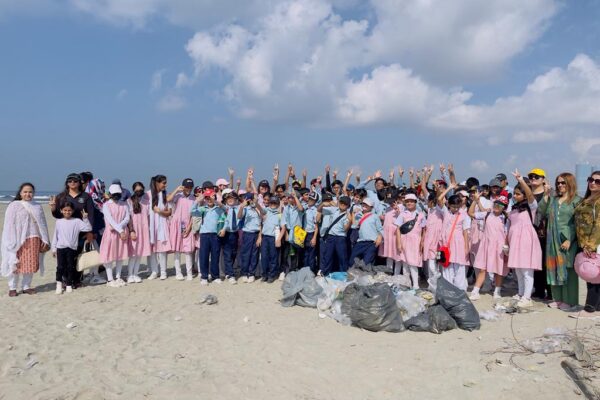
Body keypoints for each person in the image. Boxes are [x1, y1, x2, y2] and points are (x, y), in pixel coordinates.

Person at [538, 173, 581, 309]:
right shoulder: (553, 200)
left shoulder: (577, 201)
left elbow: (578, 223)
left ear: (570, 183)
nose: (560, 185)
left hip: (568, 241)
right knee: (553, 267)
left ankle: (570, 301)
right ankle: (557, 299)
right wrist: (545, 195)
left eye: (563, 183)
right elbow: (541, 211)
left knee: (569, 269)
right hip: (552, 241)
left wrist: (570, 239)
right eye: (558, 183)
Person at [1, 183, 50, 297]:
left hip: (34, 238)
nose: (28, 194)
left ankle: (26, 286)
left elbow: (43, 224)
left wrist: (45, 239)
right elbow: (9, 223)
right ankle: (12, 287)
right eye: (25, 192)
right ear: (20, 193)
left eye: (30, 192)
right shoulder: (14, 205)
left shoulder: (37, 206)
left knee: (30, 263)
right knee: (15, 263)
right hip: (17, 239)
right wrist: (10, 239)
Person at [50, 173, 95, 287]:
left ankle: (77, 280)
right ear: (67, 183)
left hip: (81, 231)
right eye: (70, 181)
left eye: (75, 181)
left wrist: (90, 232)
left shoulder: (85, 196)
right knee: (64, 259)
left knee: (77, 256)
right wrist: (53, 208)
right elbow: (57, 215)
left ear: (79, 182)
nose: (72, 183)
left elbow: (90, 215)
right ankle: (66, 280)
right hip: (66, 232)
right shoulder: (61, 196)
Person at [507, 170, 543, 308]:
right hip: (514, 240)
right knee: (518, 270)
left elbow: (530, 195)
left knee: (527, 270)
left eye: (518, 194)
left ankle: (527, 297)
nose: (515, 196)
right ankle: (521, 293)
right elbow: (509, 226)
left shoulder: (531, 207)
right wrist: (506, 243)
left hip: (527, 240)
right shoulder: (514, 209)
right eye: (514, 194)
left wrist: (521, 180)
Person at [468, 193, 509, 300]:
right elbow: (471, 213)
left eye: (500, 205)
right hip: (486, 245)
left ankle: (497, 291)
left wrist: (507, 246)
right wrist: (475, 201)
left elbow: (507, 233)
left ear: (504, 207)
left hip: (499, 247)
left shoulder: (505, 218)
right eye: (496, 203)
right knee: (482, 269)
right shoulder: (487, 214)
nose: (497, 206)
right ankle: (475, 290)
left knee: (498, 270)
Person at [51, 201, 92, 294]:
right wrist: (53, 248)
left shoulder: (77, 221)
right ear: (61, 210)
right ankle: (59, 284)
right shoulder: (59, 221)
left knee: (70, 267)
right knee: (60, 267)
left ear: (72, 211)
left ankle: (69, 284)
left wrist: (85, 218)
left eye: (69, 210)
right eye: (65, 210)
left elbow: (88, 228)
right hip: (60, 248)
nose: (67, 212)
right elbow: (55, 236)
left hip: (72, 248)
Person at [574, 171, 600, 314]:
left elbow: (599, 224)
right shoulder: (586, 200)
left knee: (593, 275)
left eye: (598, 181)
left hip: (593, 243)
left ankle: (590, 307)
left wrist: (591, 244)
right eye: (591, 180)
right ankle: (597, 306)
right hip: (582, 242)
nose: (593, 183)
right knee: (592, 274)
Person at [436, 186, 471, 291]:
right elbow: (439, 199)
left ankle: (460, 290)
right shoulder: (446, 213)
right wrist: (449, 188)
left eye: (457, 207)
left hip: (458, 243)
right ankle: (448, 289)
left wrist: (466, 247)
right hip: (446, 244)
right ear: (449, 205)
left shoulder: (464, 216)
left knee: (459, 267)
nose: (455, 209)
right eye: (453, 206)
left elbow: (466, 232)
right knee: (447, 266)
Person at [100, 185, 131, 287]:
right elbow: (110, 220)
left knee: (120, 255)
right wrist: (120, 230)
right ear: (110, 194)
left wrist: (120, 229)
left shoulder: (124, 204)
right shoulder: (106, 205)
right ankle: (110, 279)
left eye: (118, 194)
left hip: (120, 233)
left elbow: (127, 218)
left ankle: (118, 277)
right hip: (111, 233)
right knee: (109, 256)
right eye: (114, 194)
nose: (116, 196)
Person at [192, 188, 225, 285]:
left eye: (211, 197)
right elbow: (192, 211)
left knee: (215, 256)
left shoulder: (218, 209)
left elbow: (226, 209)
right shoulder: (202, 209)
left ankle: (215, 276)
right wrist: (198, 200)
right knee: (204, 256)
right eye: (207, 198)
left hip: (215, 235)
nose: (209, 199)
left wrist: (215, 200)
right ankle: (204, 277)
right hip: (204, 235)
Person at [395, 193, 426, 289]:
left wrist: (422, 242)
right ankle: (406, 284)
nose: (409, 203)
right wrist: (399, 243)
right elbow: (398, 229)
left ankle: (416, 285)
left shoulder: (421, 215)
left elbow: (424, 229)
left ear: (415, 202)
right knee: (405, 264)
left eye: (411, 201)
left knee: (413, 264)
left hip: (416, 242)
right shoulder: (402, 214)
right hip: (404, 241)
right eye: (407, 201)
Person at [528, 168, 550, 300]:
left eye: (536, 176)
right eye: (531, 176)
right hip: (530, 233)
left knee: (547, 262)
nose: (533, 179)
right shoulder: (526, 194)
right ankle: (539, 290)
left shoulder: (550, 194)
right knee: (534, 261)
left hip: (546, 233)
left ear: (543, 179)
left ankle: (551, 291)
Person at [167, 179, 196, 281]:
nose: (188, 189)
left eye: (190, 187)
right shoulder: (178, 196)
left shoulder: (194, 199)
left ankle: (189, 273)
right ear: (183, 186)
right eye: (186, 187)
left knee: (188, 251)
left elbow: (194, 215)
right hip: (176, 225)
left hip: (188, 225)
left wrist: (189, 227)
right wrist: (177, 190)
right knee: (177, 250)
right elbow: (168, 199)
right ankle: (178, 273)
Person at [319, 195, 351, 275]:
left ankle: (343, 275)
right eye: (341, 202)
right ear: (339, 202)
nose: (343, 204)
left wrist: (350, 221)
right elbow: (319, 210)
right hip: (330, 237)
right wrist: (323, 204)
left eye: (345, 203)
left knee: (342, 257)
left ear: (348, 205)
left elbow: (345, 229)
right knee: (328, 256)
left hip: (341, 238)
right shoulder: (334, 210)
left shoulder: (348, 214)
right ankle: (325, 274)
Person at [148, 175, 172, 280]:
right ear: (157, 183)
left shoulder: (164, 195)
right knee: (152, 250)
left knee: (162, 250)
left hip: (162, 224)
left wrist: (160, 211)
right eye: (164, 183)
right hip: (151, 225)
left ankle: (163, 272)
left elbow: (169, 212)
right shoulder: (148, 195)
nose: (165, 185)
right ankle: (154, 271)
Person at [255, 196, 284, 283]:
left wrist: (279, 239)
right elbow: (260, 209)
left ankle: (272, 275)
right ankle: (264, 275)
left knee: (273, 257)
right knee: (264, 257)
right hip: (265, 237)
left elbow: (283, 228)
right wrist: (256, 203)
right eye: (271, 203)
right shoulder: (266, 210)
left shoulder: (280, 215)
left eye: (275, 203)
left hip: (273, 238)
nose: (273, 205)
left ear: (278, 204)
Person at [127, 182, 151, 283]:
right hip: (134, 230)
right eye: (137, 190)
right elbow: (128, 217)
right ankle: (129, 275)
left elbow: (149, 217)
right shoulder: (129, 201)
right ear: (133, 190)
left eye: (141, 189)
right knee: (133, 254)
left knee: (139, 254)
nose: (139, 191)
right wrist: (131, 230)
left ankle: (135, 274)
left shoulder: (146, 202)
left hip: (144, 230)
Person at [349, 198, 383, 265]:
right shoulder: (358, 215)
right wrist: (353, 214)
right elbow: (353, 226)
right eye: (363, 204)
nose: (364, 206)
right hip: (360, 241)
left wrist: (380, 237)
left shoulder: (375, 216)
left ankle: (367, 275)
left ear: (371, 207)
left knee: (367, 262)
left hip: (372, 242)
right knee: (352, 260)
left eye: (367, 205)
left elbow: (380, 229)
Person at [237, 193, 262, 283]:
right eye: (248, 199)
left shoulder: (257, 209)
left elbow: (261, 222)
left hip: (256, 234)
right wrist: (242, 207)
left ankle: (252, 273)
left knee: (254, 254)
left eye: (251, 199)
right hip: (247, 234)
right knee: (246, 254)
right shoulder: (245, 208)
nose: (250, 201)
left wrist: (259, 236)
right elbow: (239, 216)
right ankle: (244, 273)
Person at [220, 189, 240, 284]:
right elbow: (220, 206)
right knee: (227, 254)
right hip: (226, 233)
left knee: (234, 253)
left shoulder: (238, 208)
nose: (230, 199)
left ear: (236, 199)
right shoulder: (225, 208)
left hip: (235, 233)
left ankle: (229, 271)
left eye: (232, 198)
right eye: (228, 198)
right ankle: (231, 275)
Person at [380, 196, 402, 275]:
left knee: (397, 255)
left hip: (396, 234)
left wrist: (398, 210)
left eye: (392, 201)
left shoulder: (401, 207)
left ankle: (396, 274)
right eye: (389, 201)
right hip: (388, 235)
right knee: (389, 255)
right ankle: (389, 273)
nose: (391, 203)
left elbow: (403, 219)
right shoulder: (387, 209)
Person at [302, 191, 320, 272]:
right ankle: (305, 271)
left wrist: (314, 238)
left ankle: (311, 272)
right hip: (303, 234)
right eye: (309, 198)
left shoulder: (315, 210)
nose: (310, 200)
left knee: (311, 255)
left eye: (312, 199)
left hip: (311, 234)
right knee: (305, 254)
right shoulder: (304, 207)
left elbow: (316, 226)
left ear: (315, 201)